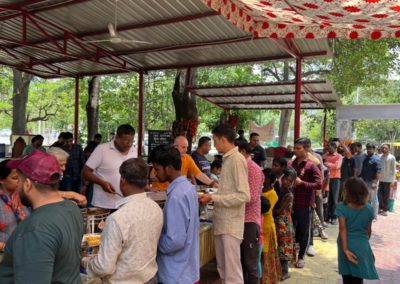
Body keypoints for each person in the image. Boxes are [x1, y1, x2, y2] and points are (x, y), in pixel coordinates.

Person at [0, 150, 84, 283]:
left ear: (27, 184)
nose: (18, 186)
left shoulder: (35, 229)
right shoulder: (72, 208)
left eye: (19, 180)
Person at [82, 158, 163, 283]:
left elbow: (104, 267)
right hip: (150, 278)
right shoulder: (155, 208)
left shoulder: (117, 218)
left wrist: (85, 261)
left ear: (123, 180)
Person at [199, 123, 250, 283]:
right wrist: (213, 194)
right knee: (223, 270)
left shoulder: (236, 160)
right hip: (222, 222)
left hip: (230, 226)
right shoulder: (228, 159)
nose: (214, 144)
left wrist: (213, 198)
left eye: (215, 140)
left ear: (222, 139)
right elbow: (229, 191)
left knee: (232, 273)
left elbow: (244, 196)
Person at [149, 145, 199, 284]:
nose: (155, 173)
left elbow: (174, 241)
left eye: (157, 169)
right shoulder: (188, 188)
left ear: (169, 168)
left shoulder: (177, 196)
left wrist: (153, 243)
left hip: (176, 274)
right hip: (187, 270)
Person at [82, 124, 137, 210]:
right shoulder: (102, 149)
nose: (129, 145)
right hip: (103, 204)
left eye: (132, 141)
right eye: (126, 141)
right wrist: (102, 183)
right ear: (117, 138)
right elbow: (85, 172)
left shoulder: (134, 150)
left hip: (125, 203)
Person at [336, 177, 379, 283]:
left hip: (345, 243)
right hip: (361, 244)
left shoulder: (341, 207)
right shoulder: (369, 208)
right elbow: (368, 231)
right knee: (359, 277)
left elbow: (342, 229)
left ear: (347, 192)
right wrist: (363, 244)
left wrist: (345, 249)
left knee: (346, 276)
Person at [288, 138, 321, 269]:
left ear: (307, 149)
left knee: (304, 232)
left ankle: (301, 257)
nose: (295, 150)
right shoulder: (292, 163)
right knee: (292, 231)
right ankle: (292, 255)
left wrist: (302, 183)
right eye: (295, 148)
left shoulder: (311, 165)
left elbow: (319, 184)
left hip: (305, 204)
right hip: (291, 204)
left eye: (298, 148)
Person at [237, 141, 264, 284]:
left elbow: (252, 197)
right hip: (240, 219)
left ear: (241, 152)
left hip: (249, 221)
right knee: (241, 262)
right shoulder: (242, 167)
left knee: (250, 263)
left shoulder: (252, 169)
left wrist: (228, 199)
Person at [0, 160, 30, 255]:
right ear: (2, 180)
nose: (20, 182)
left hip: (25, 250)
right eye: (16, 178)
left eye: (22, 178)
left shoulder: (25, 196)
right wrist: (6, 247)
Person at [273, 167, 296, 282]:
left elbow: (279, 211)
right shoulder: (279, 189)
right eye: (286, 179)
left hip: (284, 222)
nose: (287, 182)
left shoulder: (289, 195)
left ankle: (285, 271)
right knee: (279, 245)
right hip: (279, 221)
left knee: (284, 246)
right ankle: (280, 269)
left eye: (290, 181)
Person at [261, 168, 281, 284]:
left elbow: (266, 210)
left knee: (266, 254)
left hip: (267, 226)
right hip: (261, 225)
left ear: (268, 179)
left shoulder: (272, 194)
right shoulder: (261, 190)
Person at [360, 143, 381, 220]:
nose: (368, 150)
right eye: (368, 148)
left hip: (372, 182)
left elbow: (378, 172)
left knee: (373, 199)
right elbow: (363, 170)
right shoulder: (365, 158)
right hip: (364, 181)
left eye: (370, 148)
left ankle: (374, 216)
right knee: (366, 198)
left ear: (374, 149)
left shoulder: (376, 159)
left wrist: (375, 182)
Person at [324, 141, 343, 225]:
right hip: (326, 179)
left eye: (329, 146)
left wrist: (326, 164)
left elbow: (337, 166)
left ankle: (334, 217)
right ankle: (327, 216)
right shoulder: (325, 155)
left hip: (335, 179)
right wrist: (330, 164)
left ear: (334, 147)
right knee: (327, 198)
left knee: (334, 199)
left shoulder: (339, 156)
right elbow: (321, 164)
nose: (327, 148)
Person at [377, 143, 396, 216]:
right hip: (380, 179)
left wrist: (393, 180)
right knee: (379, 194)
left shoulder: (392, 157)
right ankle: (381, 208)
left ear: (389, 149)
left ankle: (385, 210)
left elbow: (393, 169)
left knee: (386, 196)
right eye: (383, 148)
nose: (384, 149)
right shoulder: (380, 156)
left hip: (388, 180)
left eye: (385, 148)